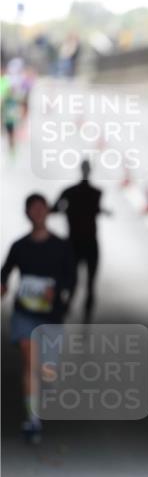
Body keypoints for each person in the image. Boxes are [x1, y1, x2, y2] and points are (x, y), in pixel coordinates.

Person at [1, 193, 76, 441]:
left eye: (41, 208)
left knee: (46, 368)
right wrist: (3, 287)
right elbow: (5, 273)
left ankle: (45, 386)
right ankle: (32, 418)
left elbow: (72, 277)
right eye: (33, 208)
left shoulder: (61, 246)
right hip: (25, 312)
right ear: (27, 213)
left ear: (48, 211)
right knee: (29, 361)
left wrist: (59, 292)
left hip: (51, 315)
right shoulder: (19, 246)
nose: (38, 212)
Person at [52, 159, 109, 319]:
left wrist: (65, 210)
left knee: (73, 280)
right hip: (90, 242)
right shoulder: (96, 193)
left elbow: (54, 208)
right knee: (90, 282)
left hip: (74, 242)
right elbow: (96, 209)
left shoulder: (69, 192)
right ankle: (86, 313)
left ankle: (67, 308)